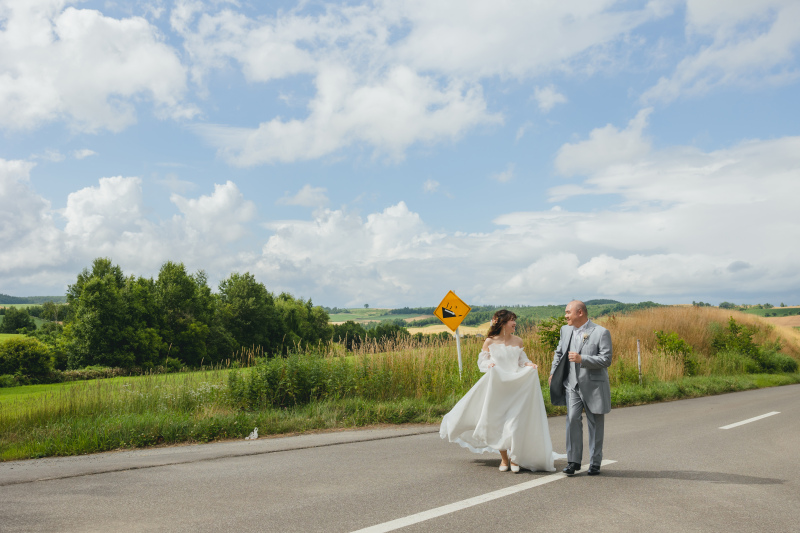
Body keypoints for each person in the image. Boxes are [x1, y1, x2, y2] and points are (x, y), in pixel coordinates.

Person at [440, 310, 564, 472]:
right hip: (498, 387)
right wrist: (489, 365)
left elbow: (522, 360)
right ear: (503, 322)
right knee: (498, 423)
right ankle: (504, 459)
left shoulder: (518, 341)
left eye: (515, 320)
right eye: (512, 320)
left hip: (516, 388)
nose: (515, 323)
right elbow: (482, 362)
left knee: (513, 424)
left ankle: (515, 459)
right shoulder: (490, 342)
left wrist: (530, 365)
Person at [548, 300, 612, 476]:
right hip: (571, 385)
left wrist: (582, 358)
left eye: (568, 312)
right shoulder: (565, 330)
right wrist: (553, 372)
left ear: (580, 313)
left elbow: (606, 359)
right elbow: (559, 353)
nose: (566, 315)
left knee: (595, 425)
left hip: (594, 386)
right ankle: (573, 461)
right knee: (572, 421)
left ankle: (595, 463)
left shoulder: (601, 332)